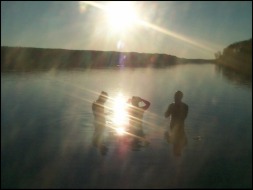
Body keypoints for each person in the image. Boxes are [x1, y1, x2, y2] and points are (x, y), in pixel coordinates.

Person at [164, 90, 188, 156]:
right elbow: (184, 117)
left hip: (174, 127)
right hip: (180, 128)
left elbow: (166, 115)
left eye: (176, 97)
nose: (175, 98)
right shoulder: (185, 106)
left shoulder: (171, 105)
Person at [92, 91, 109, 155]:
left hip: (99, 123)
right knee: (98, 133)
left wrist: (106, 114)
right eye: (106, 98)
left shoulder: (96, 103)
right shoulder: (98, 104)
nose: (106, 100)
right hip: (100, 123)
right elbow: (98, 114)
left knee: (98, 133)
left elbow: (98, 114)